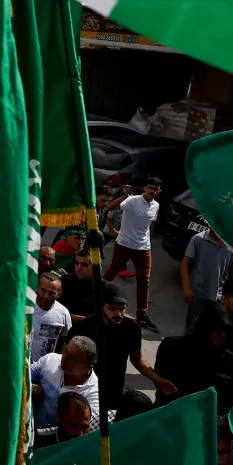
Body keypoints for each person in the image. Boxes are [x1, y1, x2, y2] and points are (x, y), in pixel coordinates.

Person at [68, 283, 175, 418]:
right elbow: (65, 356)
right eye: (112, 308)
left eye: (122, 309)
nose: (118, 314)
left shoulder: (131, 328)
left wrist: (158, 380)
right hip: (84, 391)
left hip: (114, 392)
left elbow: (137, 359)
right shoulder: (84, 327)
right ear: (100, 307)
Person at [102, 177, 162, 330]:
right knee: (111, 272)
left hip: (143, 248)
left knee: (144, 281)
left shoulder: (156, 205)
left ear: (159, 191)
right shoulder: (132, 201)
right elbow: (109, 207)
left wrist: (150, 241)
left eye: (156, 189)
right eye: (150, 188)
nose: (153, 191)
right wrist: (123, 196)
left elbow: (151, 224)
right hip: (124, 244)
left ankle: (142, 315)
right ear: (144, 188)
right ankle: (96, 298)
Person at [30, 337, 100, 429]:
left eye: (72, 357)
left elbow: (81, 430)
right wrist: (33, 387)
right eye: (65, 351)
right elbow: (22, 376)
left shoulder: (93, 395)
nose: (63, 357)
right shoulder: (50, 360)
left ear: (87, 368)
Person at [181, 227, 233, 333]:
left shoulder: (230, 244)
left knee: (214, 330)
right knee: (193, 328)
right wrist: (186, 288)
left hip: (219, 297)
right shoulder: (198, 239)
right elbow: (185, 263)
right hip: (198, 295)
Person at [31, 270, 71, 362]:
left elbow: (63, 341)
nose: (45, 296)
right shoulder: (26, 306)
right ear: (37, 288)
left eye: (51, 293)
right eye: (43, 290)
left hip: (44, 368)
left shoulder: (63, 314)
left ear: (59, 294)